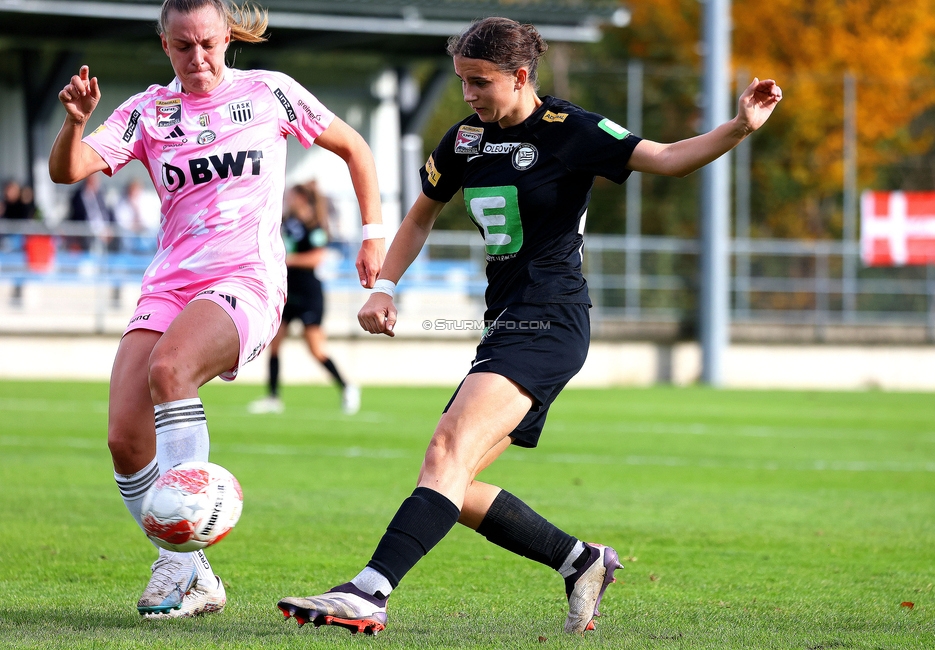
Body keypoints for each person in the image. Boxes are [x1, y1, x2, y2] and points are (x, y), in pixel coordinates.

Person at [278, 16, 782, 637]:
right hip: (506, 320)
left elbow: (670, 159)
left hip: (551, 316)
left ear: (520, 77)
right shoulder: (463, 140)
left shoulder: (572, 130)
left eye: (479, 82)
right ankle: (581, 561)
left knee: (445, 453)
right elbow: (418, 219)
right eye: (462, 81)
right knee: (450, 485)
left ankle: (370, 591)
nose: (467, 95)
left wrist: (738, 126)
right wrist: (385, 284)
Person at [49, 0, 384, 619]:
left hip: (248, 280)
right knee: (125, 438)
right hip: (168, 287)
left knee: (170, 369)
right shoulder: (149, 111)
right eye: (183, 47)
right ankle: (198, 572)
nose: (198, 58)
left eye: (208, 43)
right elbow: (68, 171)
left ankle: (176, 562)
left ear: (227, 37)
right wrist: (74, 123)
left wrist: (373, 234)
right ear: (165, 44)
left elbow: (356, 147)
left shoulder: (269, 93)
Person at [248, 181, 360, 415]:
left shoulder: (315, 225)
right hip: (288, 291)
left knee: (316, 349)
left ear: (301, 198)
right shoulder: (289, 221)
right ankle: (273, 397)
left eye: (293, 195)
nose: (288, 198)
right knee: (275, 345)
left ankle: (347, 387)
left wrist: (288, 260)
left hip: (309, 293)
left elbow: (317, 258)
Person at [113, 179, 162, 253]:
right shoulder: (122, 203)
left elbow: (151, 221)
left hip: (146, 233)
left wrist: (137, 210)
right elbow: (122, 223)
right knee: (127, 238)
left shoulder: (148, 200)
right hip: (129, 235)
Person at [68, 174, 114, 251]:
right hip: (87, 229)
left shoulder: (100, 195)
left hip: (103, 228)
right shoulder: (79, 196)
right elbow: (77, 215)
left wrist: (109, 227)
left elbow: (107, 211)